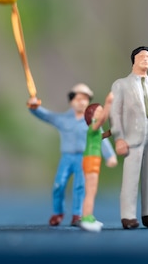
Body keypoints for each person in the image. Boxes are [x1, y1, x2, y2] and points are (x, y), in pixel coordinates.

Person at [27, 83, 118, 226]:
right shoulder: (63, 119)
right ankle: (58, 212)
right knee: (59, 184)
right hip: (67, 158)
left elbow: (101, 139)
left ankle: (78, 214)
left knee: (80, 186)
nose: (81, 102)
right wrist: (34, 107)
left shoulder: (91, 121)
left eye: (85, 99)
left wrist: (110, 155)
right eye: (78, 98)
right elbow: (47, 116)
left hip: (83, 158)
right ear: (71, 100)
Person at [110, 46, 148, 229]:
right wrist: (119, 137)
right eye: (142, 56)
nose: (146, 60)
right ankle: (128, 215)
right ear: (134, 60)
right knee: (131, 176)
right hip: (132, 134)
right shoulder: (121, 84)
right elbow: (115, 112)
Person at [80, 92, 114, 232]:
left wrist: (111, 131)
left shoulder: (95, 130)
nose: (102, 114)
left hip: (94, 160)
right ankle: (86, 218)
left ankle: (89, 216)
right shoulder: (93, 126)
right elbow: (101, 121)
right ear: (92, 115)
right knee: (90, 191)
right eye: (99, 112)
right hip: (91, 160)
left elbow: (102, 136)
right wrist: (108, 103)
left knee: (92, 191)